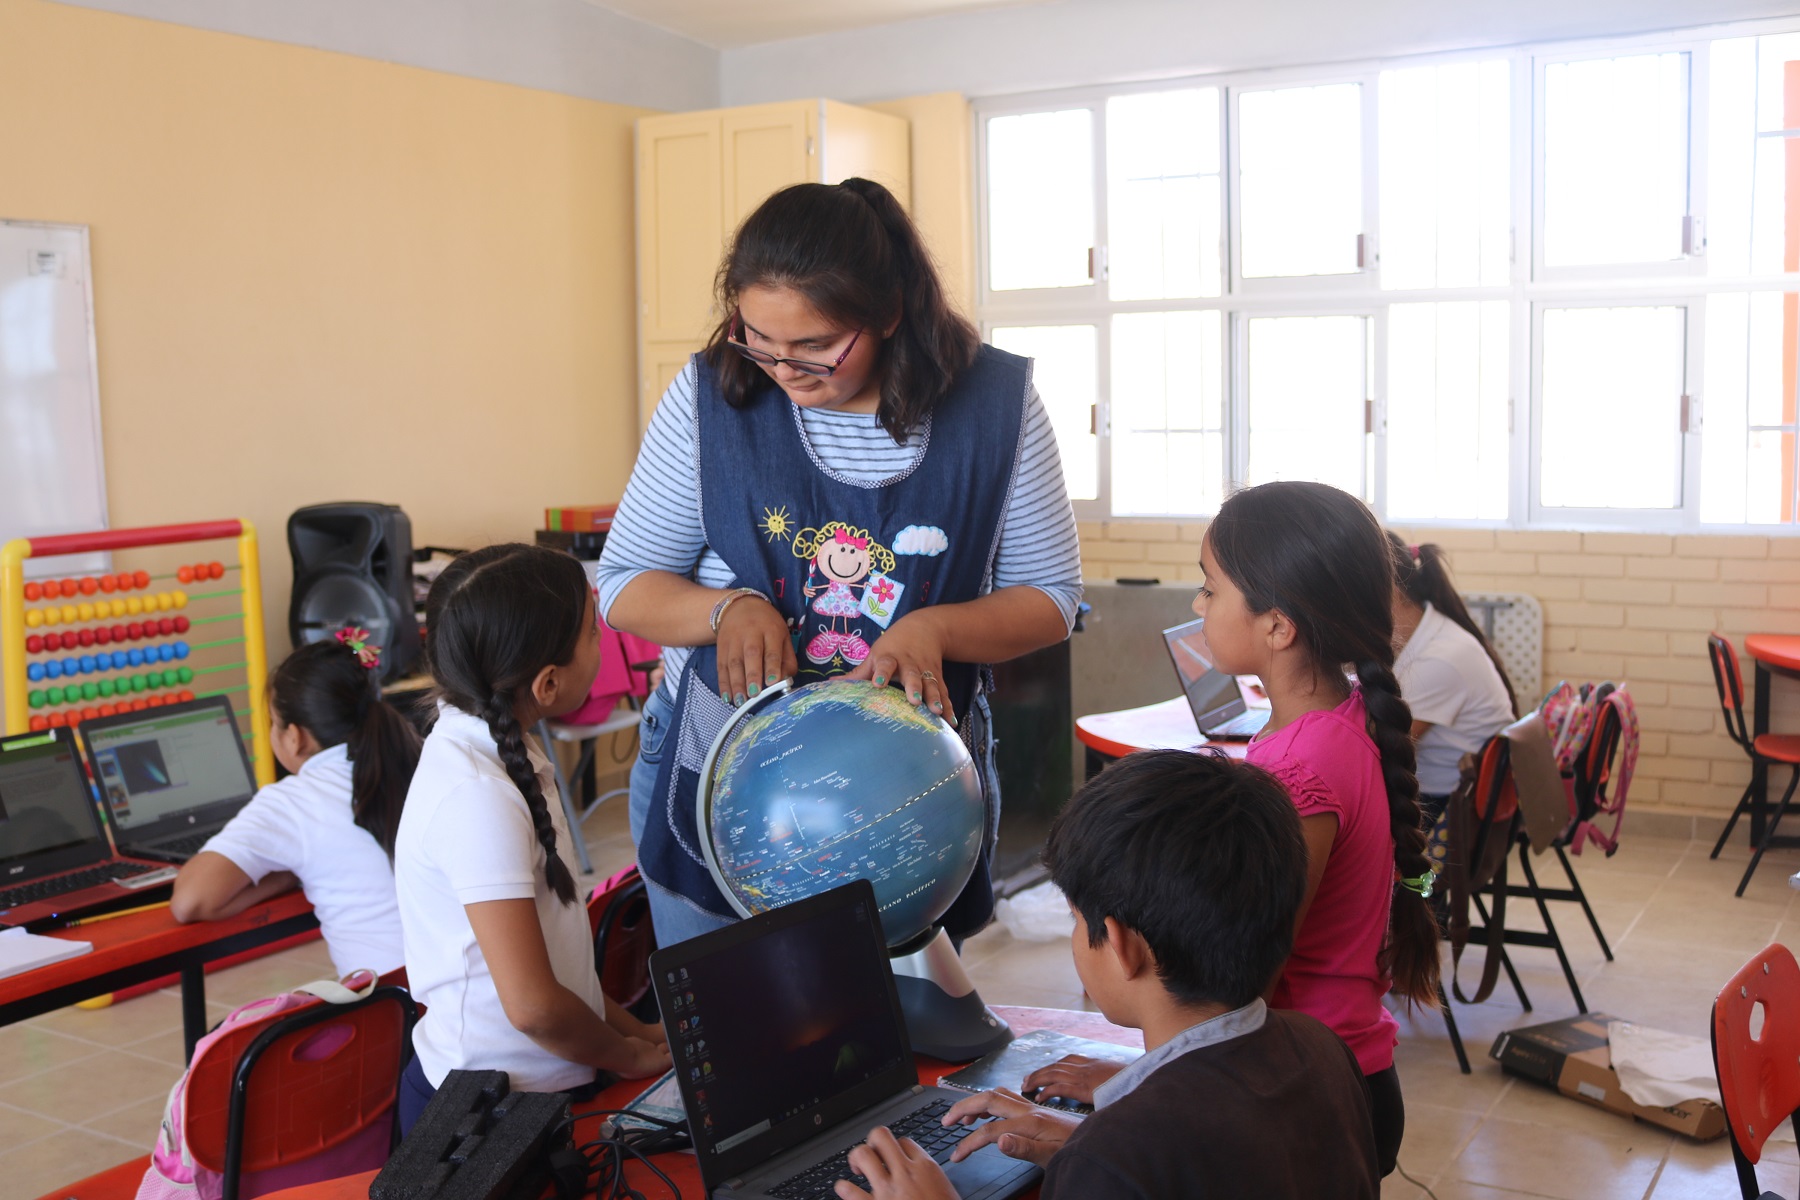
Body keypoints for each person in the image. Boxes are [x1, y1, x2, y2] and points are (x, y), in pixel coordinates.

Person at [596, 178, 1082, 945]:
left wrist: (934, 629)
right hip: (724, 767)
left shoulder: (995, 404)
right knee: (734, 1035)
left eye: (816, 346)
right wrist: (728, 609)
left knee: (888, 1042)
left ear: (888, 314)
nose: (783, 369)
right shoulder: (709, 397)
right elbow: (623, 584)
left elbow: (1051, 599)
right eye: (755, 337)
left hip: (905, 790)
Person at [833, 750, 1380, 1200]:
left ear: (1121, 946)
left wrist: (1101, 1156)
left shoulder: (1113, 1162)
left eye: (1076, 919)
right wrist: (1095, 1136)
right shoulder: (1322, 1051)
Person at [394, 544, 670, 1134]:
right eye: (593, 635)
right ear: (547, 684)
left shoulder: (495, 748)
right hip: (485, 1115)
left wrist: (634, 1031)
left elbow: (557, 971)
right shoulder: (478, 797)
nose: (602, 645)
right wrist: (624, 1057)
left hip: (538, 1084)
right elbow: (534, 1007)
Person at [170, 630, 418, 977]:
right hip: (464, 1001)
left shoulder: (293, 802)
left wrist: (287, 878)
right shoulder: (422, 763)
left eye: (273, 722)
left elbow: (190, 901)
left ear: (294, 736)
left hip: (394, 1013)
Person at [1387, 532, 1518, 815]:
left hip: (1450, 809)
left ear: (1391, 592)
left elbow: (1378, 752)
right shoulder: (1428, 636)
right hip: (1448, 795)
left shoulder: (1439, 660)